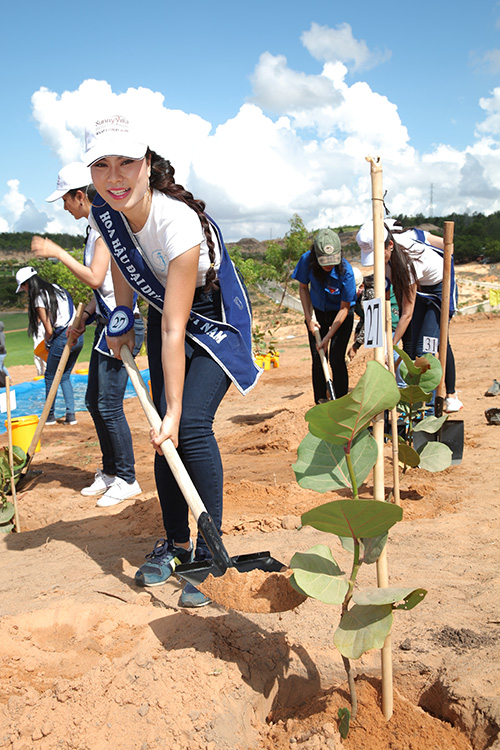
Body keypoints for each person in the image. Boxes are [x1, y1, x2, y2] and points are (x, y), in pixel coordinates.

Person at [84, 113, 260, 607]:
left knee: (189, 426)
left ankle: (210, 552)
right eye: (102, 165)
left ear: (147, 164)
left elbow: (173, 328)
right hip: (167, 310)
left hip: (210, 318)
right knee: (164, 439)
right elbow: (123, 266)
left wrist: (176, 411)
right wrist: (121, 315)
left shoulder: (176, 221)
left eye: (126, 163)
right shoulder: (106, 210)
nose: (114, 176)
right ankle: (177, 545)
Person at [31, 161, 145, 508]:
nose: (65, 208)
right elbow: (104, 289)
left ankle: (127, 478)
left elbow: (96, 277)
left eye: (66, 200)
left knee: (109, 405)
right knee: (94, 402)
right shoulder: (94, 228)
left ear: (80, 195)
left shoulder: (105, 227)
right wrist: (84, 317)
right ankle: (110, 472)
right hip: (105, 320)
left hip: (124, 324)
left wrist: (57, 252)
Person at [356, 218, 462, 413]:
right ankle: (411, 406)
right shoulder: (387, 256)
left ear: (389, 245)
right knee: (416, 347)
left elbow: (406, 313)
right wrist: (377, 338)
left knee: (426, 348)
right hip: (421, 288)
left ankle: (431, 409)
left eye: (379, 256)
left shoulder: (409, 261)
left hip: (439, 290)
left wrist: (390, 346)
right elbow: (385, 297)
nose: (378, 262)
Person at [292, 228, 356, 403]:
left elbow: (344, 308)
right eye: (324, 261)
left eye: (332, 261)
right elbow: (303, 288)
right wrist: (309, 318)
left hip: (341, 315)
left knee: (336, 357)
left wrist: (328, 336)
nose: (328, 265)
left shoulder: (346, 271)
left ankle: (341, 402)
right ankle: (320, 402)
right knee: (318, 356)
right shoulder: (306, 260)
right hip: (317, 313)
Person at [15, 266, 84, 425]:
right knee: (65, 376)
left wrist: (47, 344)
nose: (25, 292)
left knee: (50, 376)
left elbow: (48, 330)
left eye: (24, 288)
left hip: (63, 337)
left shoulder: (39, 297)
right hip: (78, 337)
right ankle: (71, 415)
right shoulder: (57, 288)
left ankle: (50, 416)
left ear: (27, 284)